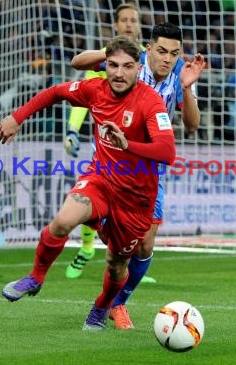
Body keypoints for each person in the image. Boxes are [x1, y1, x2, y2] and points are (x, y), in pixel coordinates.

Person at [0, 36, 176, 331]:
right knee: (63, 221)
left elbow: (167, 152)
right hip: (101, 180)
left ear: (138, 68)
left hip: (136, 199)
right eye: (113, 66)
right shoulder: (95, 89)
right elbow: (54, 93)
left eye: (128, 67)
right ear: (105, 65)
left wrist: (127, 143)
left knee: (117, 264)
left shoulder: (150, 102)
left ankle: (101, 308)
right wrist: (17, 117)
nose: (119, 73)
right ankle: (36, 277)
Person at [68, 23, 205, 329]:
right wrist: (111, 53)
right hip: (110, 168)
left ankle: (117, 303)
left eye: (173, 53)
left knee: (144, 245)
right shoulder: (127, 68)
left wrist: (186, 87)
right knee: (116, 242)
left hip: (147, 174)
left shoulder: (179, 74)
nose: (167, 59)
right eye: (160, 51)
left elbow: (193, 126)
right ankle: (100, 243)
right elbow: (77, 63)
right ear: (148, 50)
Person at [62, 3, 144, 282]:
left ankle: (129, 263)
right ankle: (86, 249)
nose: (129, 25)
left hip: (142, 150)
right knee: (92, 199)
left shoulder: (147, 57)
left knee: (134, 210)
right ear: (116, 26)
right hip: (109, 144)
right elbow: (81, 94)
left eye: (134, 20)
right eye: (124, 20)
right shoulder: (106, 61)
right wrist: (72, 129)